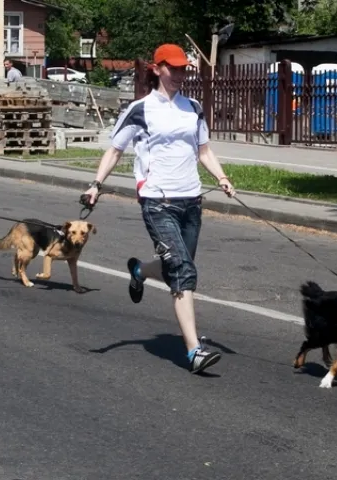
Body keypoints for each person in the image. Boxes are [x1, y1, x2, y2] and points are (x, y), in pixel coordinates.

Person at [82, 43, 236, 375]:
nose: (180, 74)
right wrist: (96, 184)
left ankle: (139, 271)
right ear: (157, 69)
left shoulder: (192, 107)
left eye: (183, 69)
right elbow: (115, 150)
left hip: (191, 201)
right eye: (174, 68)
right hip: (157, 202)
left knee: (174, 268)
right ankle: (194, 351)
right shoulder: (140, 109)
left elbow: (204, 150)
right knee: (182, 271)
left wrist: (222, 177)